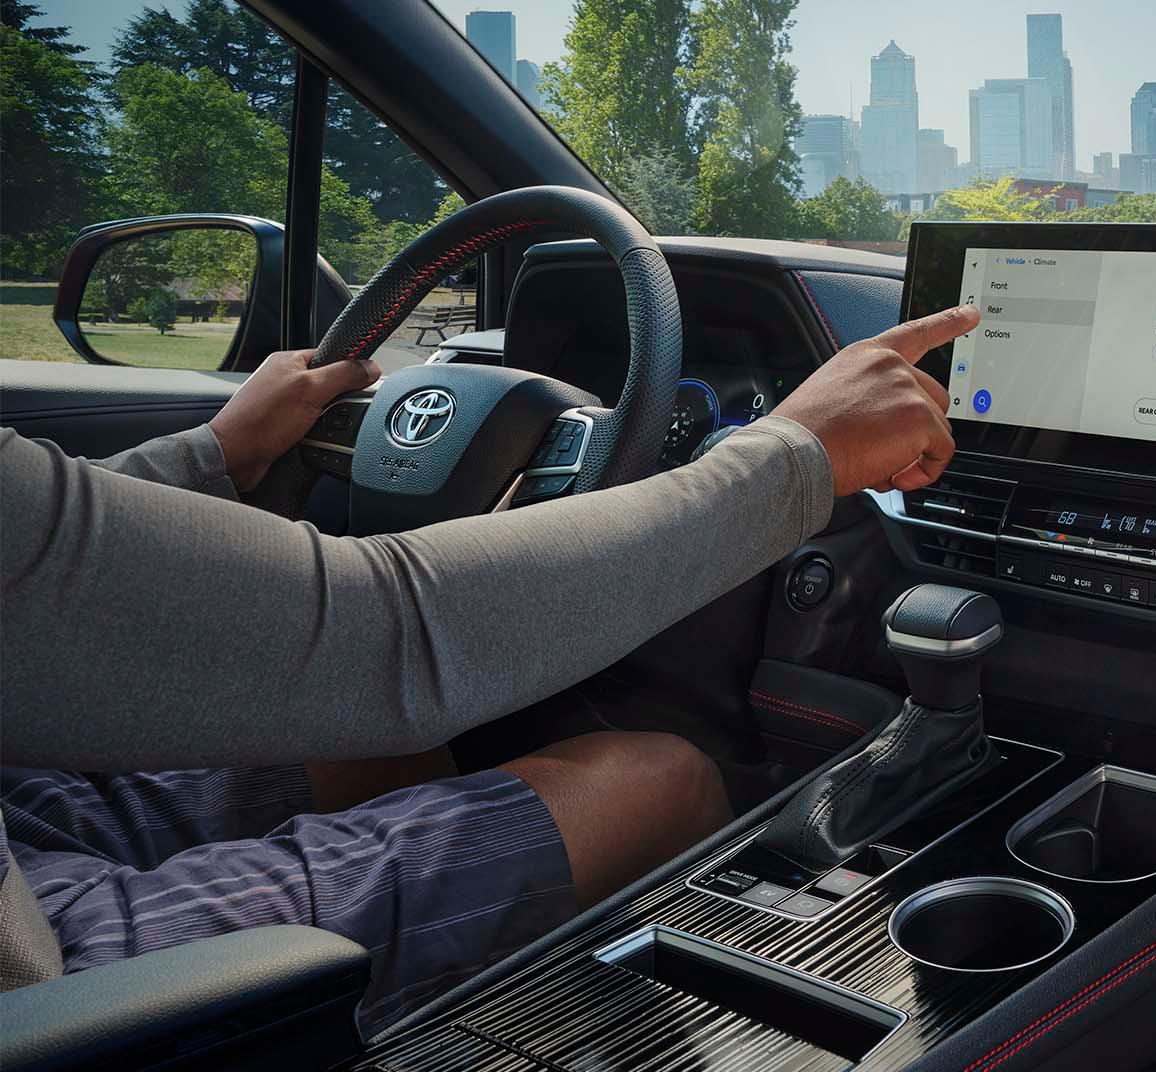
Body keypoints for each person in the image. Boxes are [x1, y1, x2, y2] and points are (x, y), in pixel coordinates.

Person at [0, 302, 980, 1033]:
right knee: (657, 778)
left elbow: (40, 565)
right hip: (47, 987)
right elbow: (387, 634)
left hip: (22, 829)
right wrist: (790, 454)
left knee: (409, 746)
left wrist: (212, 455)